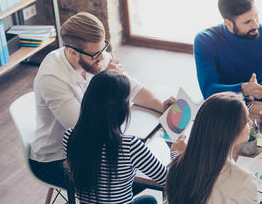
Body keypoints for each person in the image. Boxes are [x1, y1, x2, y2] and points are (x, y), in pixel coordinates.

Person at [30, 12, 174, 190]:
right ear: (73, 52)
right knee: (139, 181)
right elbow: (84, 129)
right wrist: (104, 81)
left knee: (148, 169)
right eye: (96, 54)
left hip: (97, 148)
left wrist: (161, 105)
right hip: (58, 159)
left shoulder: (95, 56)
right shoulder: (51, 78)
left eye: (103, 48)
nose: (102, 57)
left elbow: (133, 88)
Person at [63, 70, 187, 204]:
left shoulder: (70, 137)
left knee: (148, 202)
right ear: (120, 109)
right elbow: (172, 182)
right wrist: (176, 153)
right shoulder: (127, 145)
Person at [193, 0, 262, 102]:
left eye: (256, 16)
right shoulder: (205, 40)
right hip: (222, 105)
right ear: (228, 23)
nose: (256, 25)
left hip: (261, 104)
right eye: (247, 22)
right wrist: (244, 90)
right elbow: (208, 90)